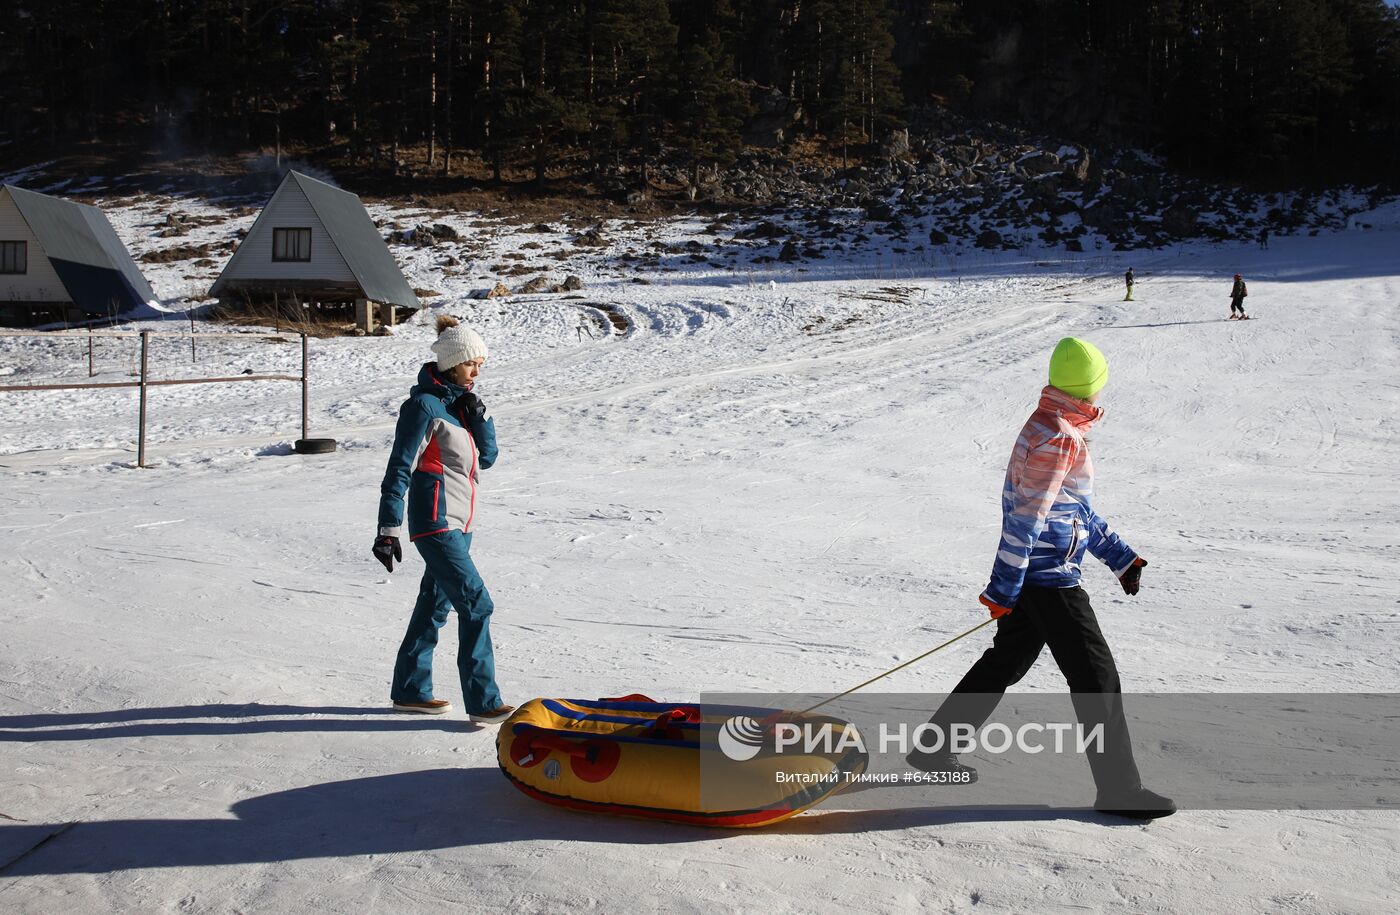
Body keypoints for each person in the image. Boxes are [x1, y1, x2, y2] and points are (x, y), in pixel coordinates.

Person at [909, 337, 1174, 819]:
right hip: (1048, 578)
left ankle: (934, 747)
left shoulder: (1051, 425)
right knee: (1097, 678)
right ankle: (1119, 788)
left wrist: (1121, 558)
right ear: (1089, 388)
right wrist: (1004, 588)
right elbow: (1026, 517)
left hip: (1037, 573)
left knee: (1005, 662)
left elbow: (1072, 510)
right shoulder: (1058, 435)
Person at [373, 315, 514, 724]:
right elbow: (399, 467)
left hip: (461, 525)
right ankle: (484, 702)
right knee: (477, 604)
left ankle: (410, 691)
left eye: (481, 363)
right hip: (435, 522)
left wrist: (480, 417)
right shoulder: (423, 407)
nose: (477, 370)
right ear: (452, 362)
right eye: (472, 363)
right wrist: (387, 529)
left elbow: (486, 459)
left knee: (434, 607)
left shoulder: (458, 407)